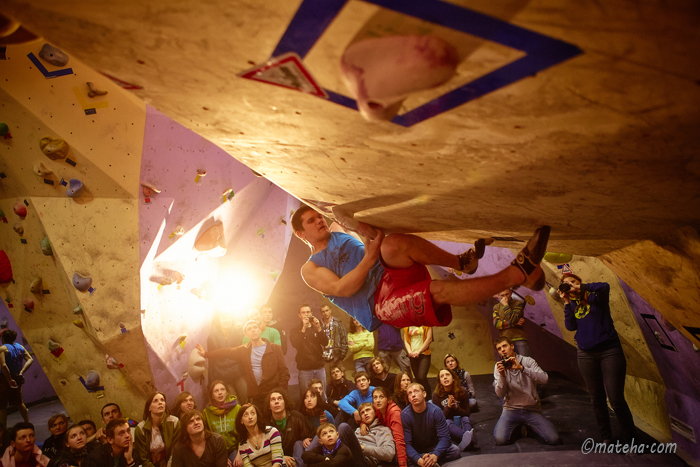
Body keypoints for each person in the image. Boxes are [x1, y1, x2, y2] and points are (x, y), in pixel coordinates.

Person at [292, 205, 549, 335]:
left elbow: (351, 221)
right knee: (435, 290)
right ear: (300, 233)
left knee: (393, 244)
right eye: (311, 221)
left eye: (318, 216)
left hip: (388, 272)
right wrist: (369, 258)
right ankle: (517, 273)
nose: (319, 220)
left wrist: (366, 234)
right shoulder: (310, 268)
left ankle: (462, 263)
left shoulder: (336, 231)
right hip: (380, 305)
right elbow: (342, 288)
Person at [560, 273, 636, 444]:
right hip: (585, 354)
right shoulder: (572, 303)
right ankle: (606, 437)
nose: (570, 285)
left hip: (610, 351)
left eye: (573, 282)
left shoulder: (596, 296)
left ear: (580, 282)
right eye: (566, 284)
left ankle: (632, 440)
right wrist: (566, 302)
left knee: (616, 399)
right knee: (597, 398)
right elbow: (570, 326)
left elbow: (605, 286)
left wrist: (579, 288)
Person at [198, 319, 290, 408]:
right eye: (249, 329)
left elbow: (284, 372)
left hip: (274, 394)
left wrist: (280, 391)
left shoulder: (275, 348)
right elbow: (226, 352)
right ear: (246, 334)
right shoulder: (244, 350)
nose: (253, 330)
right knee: (260, 422)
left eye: (255, 327)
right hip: (256, 397)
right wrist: (206, 354)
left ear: (260, 330)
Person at [493, 337, 560, 445]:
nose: (502, 350)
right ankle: (517, 429)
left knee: (553, 439)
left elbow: (545, 379)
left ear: (512, 346)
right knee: (501, 440)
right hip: (511, 410)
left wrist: (522, 368)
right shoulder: (498, 367)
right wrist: (502, 376)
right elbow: (500, 394)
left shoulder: (528, 361)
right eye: (499, 348)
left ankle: (531, 431)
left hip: (531, 409)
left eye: (505, 346)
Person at [401, 383, 460, 467]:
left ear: (424, 394)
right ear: (408, 399)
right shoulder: (405, 415)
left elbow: (445, 438)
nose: (413, 395)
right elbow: (407, 444)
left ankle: (429, 461)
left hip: (433, 446)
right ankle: (427, 462)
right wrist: (418, 460)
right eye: (410, 393)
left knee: (455, 450)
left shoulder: (436, 411)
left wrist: (435, 455)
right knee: (401, 458)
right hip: (416, 449)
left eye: (416, 391)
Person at [207, 312, 247, 404]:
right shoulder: (212, 337)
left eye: (229, 317)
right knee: (235, 404)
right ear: (219, 320)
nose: (227, 320)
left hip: (239, 374)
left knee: (246, 401)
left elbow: (243, 355)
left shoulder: (239, 334)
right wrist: (211, 383)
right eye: (224, 318)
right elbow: (211, 362)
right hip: (223, 377)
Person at [267, 390, 314, 467]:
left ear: (285, 402)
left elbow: (313, 433)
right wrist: (281, 458)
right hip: (278, 460)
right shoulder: (266, 423)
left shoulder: (297, 416)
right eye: (273, 399)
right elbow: (264, 449)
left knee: (298, 443)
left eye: (279, 398)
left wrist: (307, 439)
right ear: (269, 406)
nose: (276, 402)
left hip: (298, 456)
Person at [431, 369, 476, 451]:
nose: (445, 377)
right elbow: (439, 420)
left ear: (453, 378)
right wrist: (448, 407)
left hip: (460, 418)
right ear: (440, 381)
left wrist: (456, 407)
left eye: (447, 375)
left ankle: (467, 440)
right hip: (448, 422)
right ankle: (469, 439)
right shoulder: (436, 395)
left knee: (466, 419)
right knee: (447, 422)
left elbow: (467, 413)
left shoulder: (462, 391)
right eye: (442, 376)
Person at [290, 306, 327, 400]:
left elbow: (325, 342)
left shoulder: (317, 326)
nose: (306, 314)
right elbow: (296, 344)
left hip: (319, 367)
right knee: (305, 396)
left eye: (308, 312)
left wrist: (318, 328)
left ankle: (324, 414)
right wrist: (304, 328)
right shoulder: (295, 330)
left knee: (322, 396)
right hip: (305, 370)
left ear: (311, 313)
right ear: (299, 315)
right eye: (303, 312)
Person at [134, 392, 180, 467]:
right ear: (149, 408)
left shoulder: (174, 422)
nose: (160, 403)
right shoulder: (141, 428)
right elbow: (142, 458)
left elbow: (176, 451)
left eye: (162, 400)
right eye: (155, 401)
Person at [202, 381, 242, 464]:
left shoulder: (237, 408)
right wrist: (222, 458)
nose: (220, 393)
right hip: (216, 451)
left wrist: (239, 454)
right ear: (212, 395)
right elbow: (206, 436)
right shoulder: (206, 412)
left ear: (227, 392)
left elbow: (244, 433)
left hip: (235, 448)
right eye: (216, 391)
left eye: (222, 389)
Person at [0, 330, 33, 426]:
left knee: (2, 406)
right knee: (19, 402)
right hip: (17, 377)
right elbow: (30, 359)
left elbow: (3, 365)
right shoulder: (20, 347)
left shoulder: (2, 348)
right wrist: (21, 372)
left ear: (3, 338)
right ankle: (27, 423)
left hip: (4, 378)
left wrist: (9, 379)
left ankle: (3, 429)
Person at [371, 387, 406, 467]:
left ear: (389, 400)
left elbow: (399, 439)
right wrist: (363, 424)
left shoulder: (394, 412)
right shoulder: (377, 408)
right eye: (375, 397)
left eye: (381, 397)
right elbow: (368, 417)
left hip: (400, 445)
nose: (378, 400)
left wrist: (402, 464)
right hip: (387, 442)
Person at [493, 289, 530, 357]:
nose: (505, 297)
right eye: (502, 295)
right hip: (505, 341)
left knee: (527, 363)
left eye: (507, 294)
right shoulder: (496, 307)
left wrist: (505, 305)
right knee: (511, 364)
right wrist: (514, 324)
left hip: (519, 338)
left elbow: (513, 319)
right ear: (498, 295)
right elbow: (497, 324)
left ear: (511, 293)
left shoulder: (518, 303)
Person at [402, 326, 432, 395]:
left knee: (422, 377)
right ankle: (420, 396)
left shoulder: (427, 325)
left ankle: (428, 397)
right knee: (417, 379)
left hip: (424, 354)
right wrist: (409, 352)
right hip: (412, 355)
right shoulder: (407, 326)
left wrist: (419, 351)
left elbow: (429, 339)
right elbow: (406, 341)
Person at [319, 306, 348, 373]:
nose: (325, 313)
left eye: (326, 310)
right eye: (323, 311)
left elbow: (344, 338)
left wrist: (342, 355)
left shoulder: (337, 323)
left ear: (330, 311)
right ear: (321, 313)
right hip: (324, 358)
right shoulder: (319, 325)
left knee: (340, 378)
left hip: (337, 356)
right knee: (327, 380)